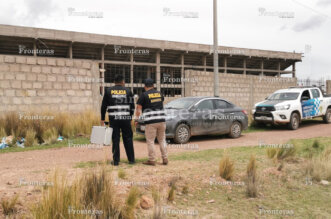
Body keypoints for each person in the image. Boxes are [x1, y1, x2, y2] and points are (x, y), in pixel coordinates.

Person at [101, 74, 135, 166]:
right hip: (125, 119)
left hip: (114, 119)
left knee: (115, 139)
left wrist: (102, 119)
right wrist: (130, 117)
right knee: (128, 138)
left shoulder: (108, 91)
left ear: (114, 82)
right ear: (123, 82)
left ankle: (116, 161)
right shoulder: (128, 91)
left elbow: (103, 106)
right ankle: (131, 160)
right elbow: (132, 106)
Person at [135, 78, 168, 166]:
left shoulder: (143, 95)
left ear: (145, 86)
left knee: (150, 141)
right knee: (162, 140)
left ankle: (152, 160)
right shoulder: (159, 93)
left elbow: (138, 109)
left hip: (151, 121)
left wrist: (136, 119)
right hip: (162, 120)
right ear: (153, 86)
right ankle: (165, 158)